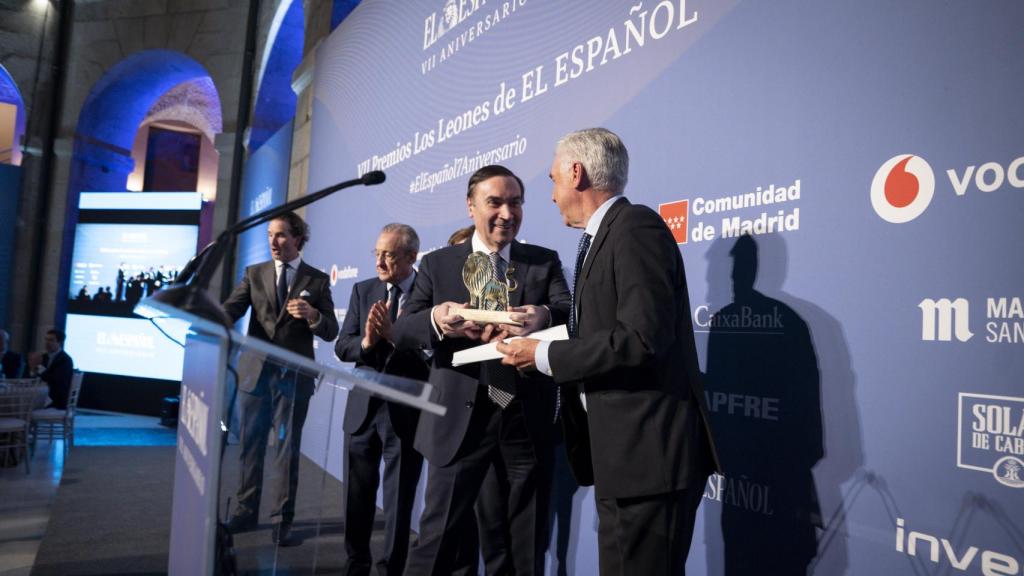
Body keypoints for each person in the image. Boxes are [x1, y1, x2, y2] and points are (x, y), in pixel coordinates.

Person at [498, 128, 720, 574]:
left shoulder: (635, 227)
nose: (552, 195)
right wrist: (542, 337)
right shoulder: (602, 238)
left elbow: (641, 339)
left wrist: (543, 356)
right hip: (622, 458)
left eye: (553, 179)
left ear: (576, 173)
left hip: (650, 461)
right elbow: (603, 333)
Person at [394, 165, 571, 575]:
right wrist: (439, 318)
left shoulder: (542, 262)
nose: (507, 214)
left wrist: (542, 315)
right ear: (471, 206)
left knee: (523, 549)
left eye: (516, 203)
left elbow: (570, 312)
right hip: (459, 422)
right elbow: (403, 330)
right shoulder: (438, 264)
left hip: (524, 420)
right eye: (495, 203)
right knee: (436, 543)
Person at [222, 212, 339, 547]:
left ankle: (281, 520)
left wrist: (313, 315)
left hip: (294, 379)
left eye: (282, 235)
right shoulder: (254, 273)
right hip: (254, 375)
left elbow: (331, 330)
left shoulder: (317, 280)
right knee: (250, 446)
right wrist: (209, 318)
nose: (274, 241)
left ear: (298, 238)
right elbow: (231, 309)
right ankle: (245, 512)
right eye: (270, 235)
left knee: (287, 452)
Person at [335, 223, 429, 576]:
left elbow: (435, 353)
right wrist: (366, 342)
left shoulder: (428, 294)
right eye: (376, 253)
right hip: (363, 410)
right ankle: (356, 563)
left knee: (399, 501)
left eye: (388, 255)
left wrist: (398, 337)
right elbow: (342, 346)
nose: (379, 261)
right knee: (356, 498)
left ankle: (391, 568)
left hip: (405, 413)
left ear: (411, 256)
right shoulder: (363, 290)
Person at [28, 329, 74, 408]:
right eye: (46, 339)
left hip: (56, 399)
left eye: (51, 340)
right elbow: (32, 378)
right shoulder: (43, 357)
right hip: (40, 394)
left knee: (27, 405)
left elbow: (54, 380)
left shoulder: (65, 360)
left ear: (60, 342)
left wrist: (38, 366)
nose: (47, 343)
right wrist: (32, 368)